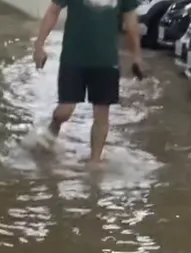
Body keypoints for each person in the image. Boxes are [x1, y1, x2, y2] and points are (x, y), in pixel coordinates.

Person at [31, 0, 143, 164]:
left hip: (106, 61)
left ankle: (94, 162)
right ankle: (53, 128)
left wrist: (137, 56)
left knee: (101, 114)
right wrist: (39, 46)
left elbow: (131, 21)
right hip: (73, 59)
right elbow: (53, 11)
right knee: (64, 110)